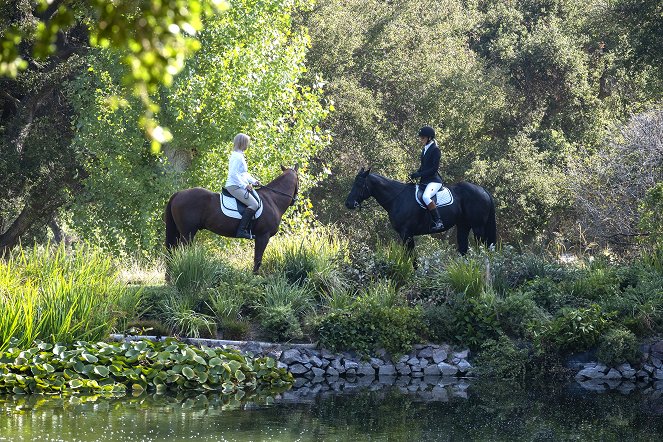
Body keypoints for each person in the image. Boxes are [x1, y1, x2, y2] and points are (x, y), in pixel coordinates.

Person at [226, 133, 261, 239]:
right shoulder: (237, 157)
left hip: (238, 184)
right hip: (234, 186)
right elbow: (233, 174)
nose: (248, 145)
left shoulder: (239, 155)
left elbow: (243, 173)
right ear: (243, 143)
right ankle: (241, 231)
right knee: (254, 205)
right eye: (247, 142)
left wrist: (254, 181)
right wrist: (245, 185)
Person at [409, 125, 444, 231]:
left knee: (425, 197)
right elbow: (424, 166)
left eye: (423, 138)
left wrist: (420, 175)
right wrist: (416, 173)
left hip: (434, 181)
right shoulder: (425, 149)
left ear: (429, 138)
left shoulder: (435, 150)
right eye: (421, 138)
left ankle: (438, 221)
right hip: (425, 181)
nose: (421, 140)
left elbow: (433, 169)